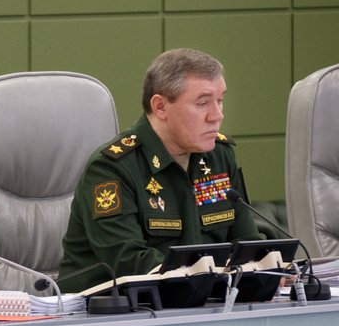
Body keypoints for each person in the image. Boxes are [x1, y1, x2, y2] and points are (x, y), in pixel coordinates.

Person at [58, 48, 262, 291]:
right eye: (203, 103)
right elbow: (130, 264)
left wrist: (268, 268)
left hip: (203, 302)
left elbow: (247, 244)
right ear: (160, 107)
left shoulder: (219, 156)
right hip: (113, 308)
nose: (217, 116)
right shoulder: (111, 169)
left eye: (220, 101)